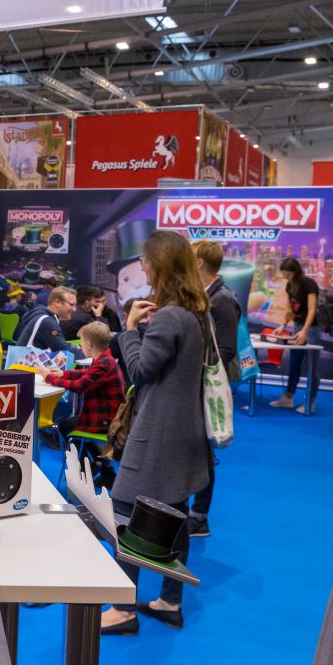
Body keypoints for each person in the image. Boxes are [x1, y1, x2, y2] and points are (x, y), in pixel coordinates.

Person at [102, 230, 209, 636]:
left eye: (146, 260)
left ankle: (122, 609)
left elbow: (140, 371)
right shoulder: (192, 313)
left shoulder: (169, 316)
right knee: (174, 518)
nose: (143, 267)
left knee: (126, 515)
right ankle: (169, 601)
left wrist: (130, 330)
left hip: (158, 436)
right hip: (181, 434)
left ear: (160, 264)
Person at [188, 239, 241, 538]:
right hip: (200, 384)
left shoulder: (221, 299)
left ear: (198, 263)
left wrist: (193, 368)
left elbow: (227, 349)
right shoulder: (207, 296)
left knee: (205, 452)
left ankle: (199, 516)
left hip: (207, 387)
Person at [38, 321, 123, 488]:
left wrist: (50, 377)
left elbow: (80, 386)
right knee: (74, 429)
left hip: (104, 420)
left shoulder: (103, 364)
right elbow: (87, 374)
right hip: (106, 416)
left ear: (89, 344)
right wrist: (63, 373)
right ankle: (102, 470)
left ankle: (85, 470)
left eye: (82, 342)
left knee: (66, 427)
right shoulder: (105, 359)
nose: (81, 346)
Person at [269, 257, 321, 411]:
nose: (287, 278)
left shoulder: (309, 284)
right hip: (297, 327)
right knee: (294, 363)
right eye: (285, 275)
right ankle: (288, 397)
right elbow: (290, 309)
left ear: (296, 271)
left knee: (312, 367)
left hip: (311, 329)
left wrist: (305, 330)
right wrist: (283, 325)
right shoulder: (289, 285)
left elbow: (312, 309)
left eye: (289, 275)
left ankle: (310, 402)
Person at [15, 286, 79, 353]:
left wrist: (78, 346)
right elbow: (64, 351)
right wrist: (86, 351)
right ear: (57, 302)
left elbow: (61, 346)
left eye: (75, 305)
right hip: (24, 360)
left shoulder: (44, 317)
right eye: (71, 304)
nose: (74, 309)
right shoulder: (46, 321)